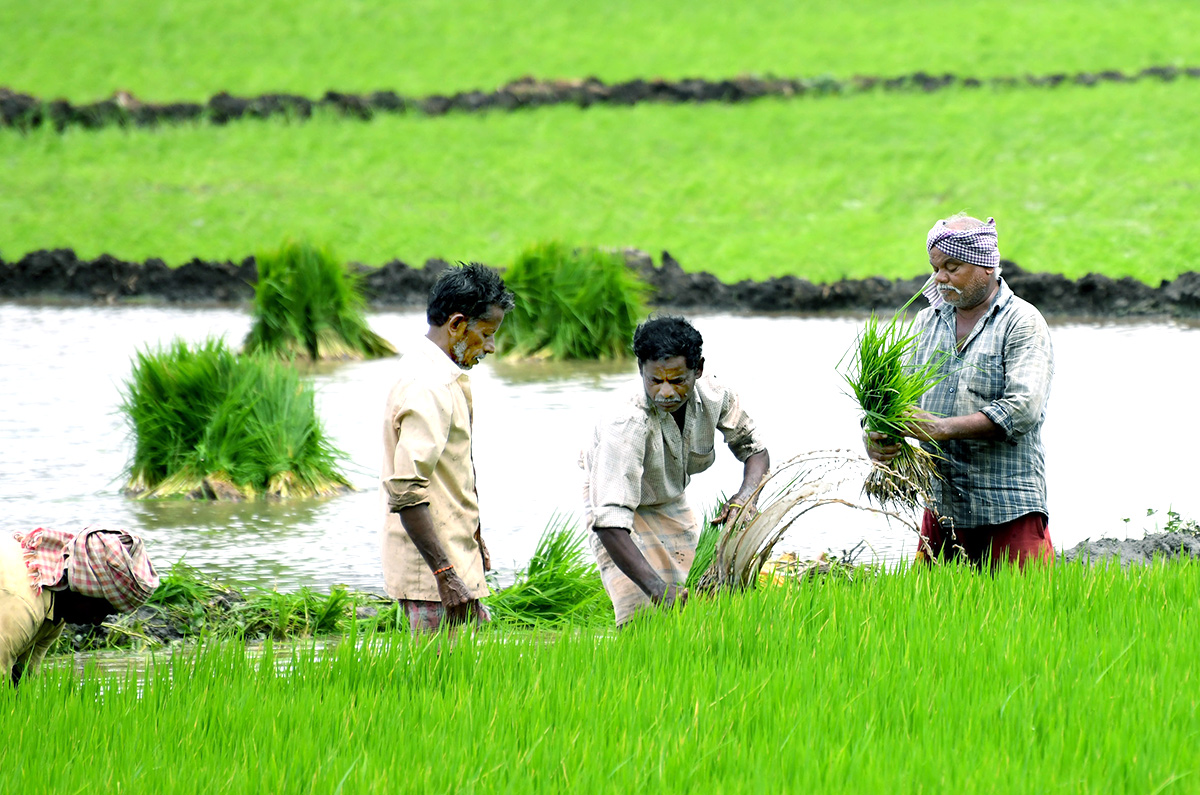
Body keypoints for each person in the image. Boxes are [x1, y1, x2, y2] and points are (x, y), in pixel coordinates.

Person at [865, 214, 1055, 568]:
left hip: (1009, 506)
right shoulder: (926, 322)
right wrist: (880, 435)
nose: (940, 278)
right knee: (933, 617)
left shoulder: (1021, 322)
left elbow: (1023, 408)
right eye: (936, 267)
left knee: (1026, 615)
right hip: (942, 509)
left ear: (986, 266)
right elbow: (896, 400)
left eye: (952, 267)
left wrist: (942, 428)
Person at [583, 316, 770, 627]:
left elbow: (756, 452)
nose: (666, 393)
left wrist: (745, 498)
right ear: (641, 369)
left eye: (677, 380)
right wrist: (658, 590)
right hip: (618, 511)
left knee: (702, 594)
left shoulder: (715, 395)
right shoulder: (626, 421)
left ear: (697, 369)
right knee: (642, 613)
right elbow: (609, 522)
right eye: (655, 381)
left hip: (670, 500)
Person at [380, 263, 514, 633]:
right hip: (435, 579)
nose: (490, 347)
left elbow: (447, 476)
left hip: (451, 563)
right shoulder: (427, 386)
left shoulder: (443, 376)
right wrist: (444, 572)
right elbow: (406, 490)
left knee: (465, 678)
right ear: (456, 324)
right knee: (441, 682)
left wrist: (473, 536)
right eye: (486, 334)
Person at [2, 525, 159, 687]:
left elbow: (22, 678)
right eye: (100, 609)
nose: (98, 621)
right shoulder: (21, 606)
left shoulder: (55, 614)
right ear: (83, 588)